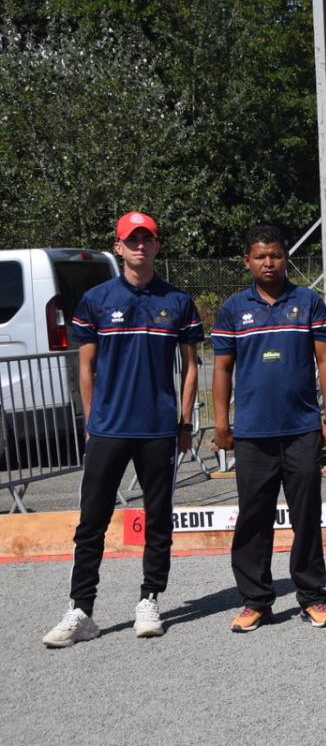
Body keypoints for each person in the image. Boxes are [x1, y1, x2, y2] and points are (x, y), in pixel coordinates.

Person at [42, 211, 201, 647]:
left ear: (157, 245)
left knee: (158, 518)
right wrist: (92, 421)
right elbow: (86, 367)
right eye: (132, 239)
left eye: (147, 239)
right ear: (118, 246)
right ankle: (81, 609)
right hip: (109, 428)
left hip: (157, 429)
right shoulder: (96, 299)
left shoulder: (178, 301)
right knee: (91, 521)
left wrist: (184, 420)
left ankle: (149, 599)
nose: (140, 246)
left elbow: (190, 367)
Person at [211, 225, 326, 632]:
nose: (268, 263)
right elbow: (221, 369)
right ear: (247, 261)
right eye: (260, 256)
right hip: (252, 433)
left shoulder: (307, 302)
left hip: (302, 428)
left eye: (275, 255)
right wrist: (220, 423)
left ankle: (313, 598)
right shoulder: (233, 308)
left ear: (286, 258)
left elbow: (325, 361)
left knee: (306, 517)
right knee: (253, 518)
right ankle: (255, 601)